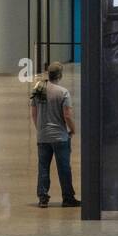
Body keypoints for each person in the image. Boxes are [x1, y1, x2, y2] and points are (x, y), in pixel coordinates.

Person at [31, 62, 79, 208]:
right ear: (60, 75)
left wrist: (40, 129)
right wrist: (72, 130)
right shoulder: (63, 92)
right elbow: (67, 115)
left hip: (43, 136)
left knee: (43, 167)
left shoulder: (38, 89)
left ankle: (43, 197)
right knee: (64, 168)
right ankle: (68, 197)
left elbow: (34, 113)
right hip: (60, 137)